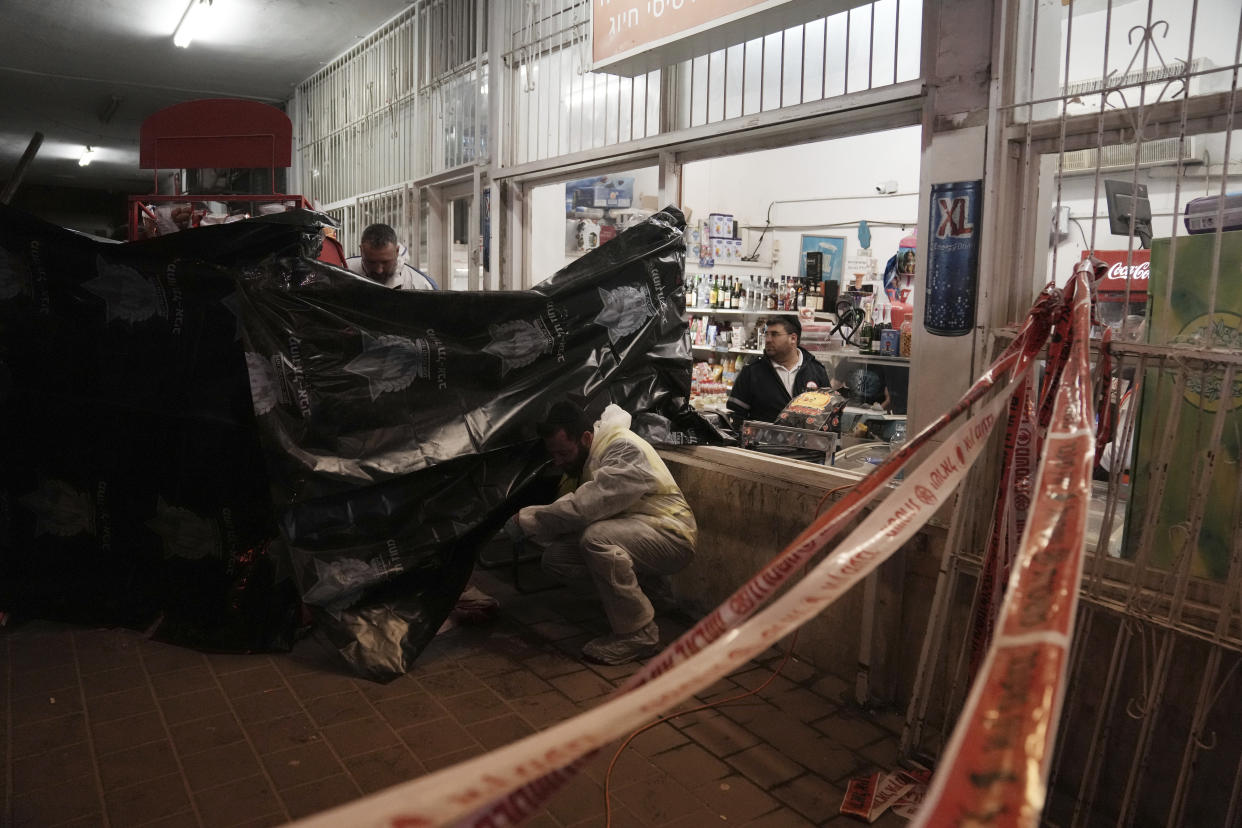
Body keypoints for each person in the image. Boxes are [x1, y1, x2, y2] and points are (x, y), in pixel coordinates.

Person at [504, 402, 697, 665]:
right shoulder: (594, 453)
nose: (559, 462)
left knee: (596, 538)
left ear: (585, 438)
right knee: (557, 559)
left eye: (563, 453)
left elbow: (589, 505)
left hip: (672, 535)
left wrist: (527, 520)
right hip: (639, 530)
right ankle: (648, 598)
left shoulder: (623, 448)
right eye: (554, 455)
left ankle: (638, 634)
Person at [727, 315, 830, 426]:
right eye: (766, 334)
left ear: (793, 338)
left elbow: (828, 414)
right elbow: (736, 415)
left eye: (775, 334)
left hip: (806, 442)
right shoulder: (752, 371)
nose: (768, 340)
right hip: (763, 442)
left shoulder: (816, 370)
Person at [346, 223, 438, 290]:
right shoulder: (343, 272)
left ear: (397, 251)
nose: (379, 270)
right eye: (372, 262)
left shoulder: (421, 286)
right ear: (361, 250)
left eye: (385, 262)